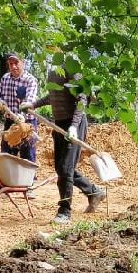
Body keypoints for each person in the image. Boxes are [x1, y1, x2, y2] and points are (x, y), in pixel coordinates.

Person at [38, 65, 106, 224]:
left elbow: (82, 98)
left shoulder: (71, 65)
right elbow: (53, 97)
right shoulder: (52, 69)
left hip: (73, 123)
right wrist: (33, 105)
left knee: (66, 169)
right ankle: (94, 192)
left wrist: (74, 126)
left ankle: (64, 211)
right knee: (61, 168)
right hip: (60, 124)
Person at [0, 53, 39, 164]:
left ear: (23, 63)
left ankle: (29, 180)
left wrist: (21, 115)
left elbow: (30, 101)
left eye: (16, 63)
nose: (13, 66)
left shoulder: (30, 80)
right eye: (11, 64)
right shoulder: (5, 78)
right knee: (6, 154)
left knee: (28, 155)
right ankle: (8, 179)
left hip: (27, 123)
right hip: (10, 122)